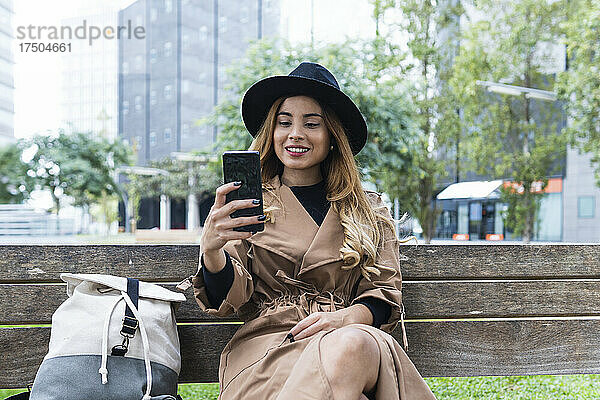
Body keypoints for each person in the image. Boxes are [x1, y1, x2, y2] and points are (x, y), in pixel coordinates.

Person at [192, 62, 436, 400]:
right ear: (272, 132)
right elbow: (229, 298)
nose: (295, 134)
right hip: (273, 346)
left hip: (348, 338)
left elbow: (383, 295)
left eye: (311, 124)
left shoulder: (367, 210)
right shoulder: (249, 204)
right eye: (284, 122)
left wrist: (346, 318)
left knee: (354, 344)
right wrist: (212, 250)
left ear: (332, 136)